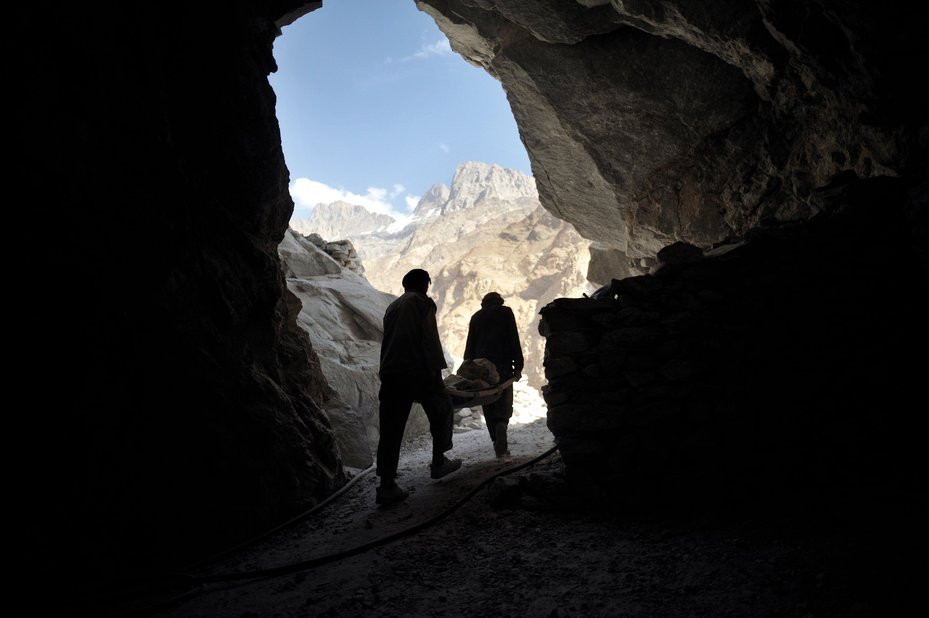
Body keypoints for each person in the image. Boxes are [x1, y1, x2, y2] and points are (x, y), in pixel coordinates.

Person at [375, 268, 462, 505]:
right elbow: (429, 340)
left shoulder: (393, 306)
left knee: (391, 430)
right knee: (442, 408)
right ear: (424, 284)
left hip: (391, 373)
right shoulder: (422, 302)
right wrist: (436, 377)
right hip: (416, 371)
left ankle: (386, 485)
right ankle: (439, 461)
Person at [463, 291, 524, 458]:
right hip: (503, 365)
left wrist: (467, 369)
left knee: (488, 402)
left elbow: (470, 346)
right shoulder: (506, 312)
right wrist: (518, 366)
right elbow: (514, 338)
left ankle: (496, 439)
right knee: (504, 399)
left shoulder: (476, 317)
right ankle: (502, 425)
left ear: (483, 304)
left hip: (481, 368)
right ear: (500, 302)